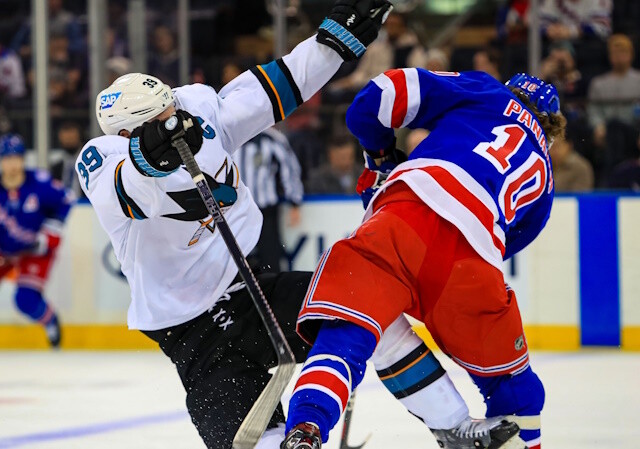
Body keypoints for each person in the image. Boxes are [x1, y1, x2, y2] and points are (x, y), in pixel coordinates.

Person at [76, 2, 398, 447]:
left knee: (363, 304)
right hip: (193, 333)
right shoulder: (100, 159)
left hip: (251, 288)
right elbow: (127, 193)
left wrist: (333, 45)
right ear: (128, 134)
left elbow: (277, 87)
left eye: (173, 106)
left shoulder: (196, 110)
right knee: (252, 442)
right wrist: (151, 156)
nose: (177, 117)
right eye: (162, 118)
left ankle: (449, 422)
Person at [281, 70, 567, 449]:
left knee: (351, 329)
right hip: (473, 256)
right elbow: (500, 245)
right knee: (513, 383)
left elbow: (375, 98)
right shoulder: (545, 181)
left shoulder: (487, 91)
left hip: (404, 213)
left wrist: (380, 155)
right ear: (550, 132)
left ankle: (307, 427)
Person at [0, 134, 73, 347]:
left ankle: (50, 321)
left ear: (23, 159)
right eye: (7, 158)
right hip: (4, 250)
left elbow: (66, 199)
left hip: (35, 250)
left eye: (16, 157)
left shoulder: (39, 183)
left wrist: (50, 231)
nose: (12, 163)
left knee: (25, 300)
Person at [234, 128, 304, 272]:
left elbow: (290, 169)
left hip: (265, 210)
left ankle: (272, 293)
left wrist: (295, 201)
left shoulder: (272, 138)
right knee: (236, 261)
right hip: (234, 211)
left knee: (270, 260)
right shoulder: (227, 135)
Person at [587, 34, 640, 173]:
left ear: (631, 55)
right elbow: (593, 111)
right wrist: (598, 126)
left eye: (623, 52)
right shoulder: (598, 83)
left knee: (615, 127)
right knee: (611, 128)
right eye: (615, 53)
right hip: (607, 132)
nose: (619, 57)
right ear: (610, 56)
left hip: (633, 130)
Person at [540, 0, 612, 41]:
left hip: (587, 46)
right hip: (557, 45)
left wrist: (573, 32)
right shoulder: (550, 1)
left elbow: (603, 28)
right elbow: (539, 26)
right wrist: (549, 30)